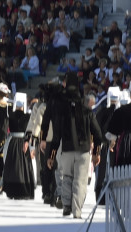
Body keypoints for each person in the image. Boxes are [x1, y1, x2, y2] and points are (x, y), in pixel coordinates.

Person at [47, 75, 103, 218]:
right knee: (80, 181)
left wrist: (51, 155)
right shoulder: (87, 112)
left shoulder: (62, 112)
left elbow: (56, 136)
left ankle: (66, 205)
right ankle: (77, 210)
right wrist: (96, 153)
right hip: (83, 151)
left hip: (66, 150)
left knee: (66, 178)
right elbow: (98, 134)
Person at [1, 92, 35, 200]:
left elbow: (3, 129)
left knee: (13, 167)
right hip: (23, 143)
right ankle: (23, 190)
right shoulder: (28, 116)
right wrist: (28, 142)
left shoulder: (10, 115)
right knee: (24, 167)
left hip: (13, 143)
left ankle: (12, 190)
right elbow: (30, 131)